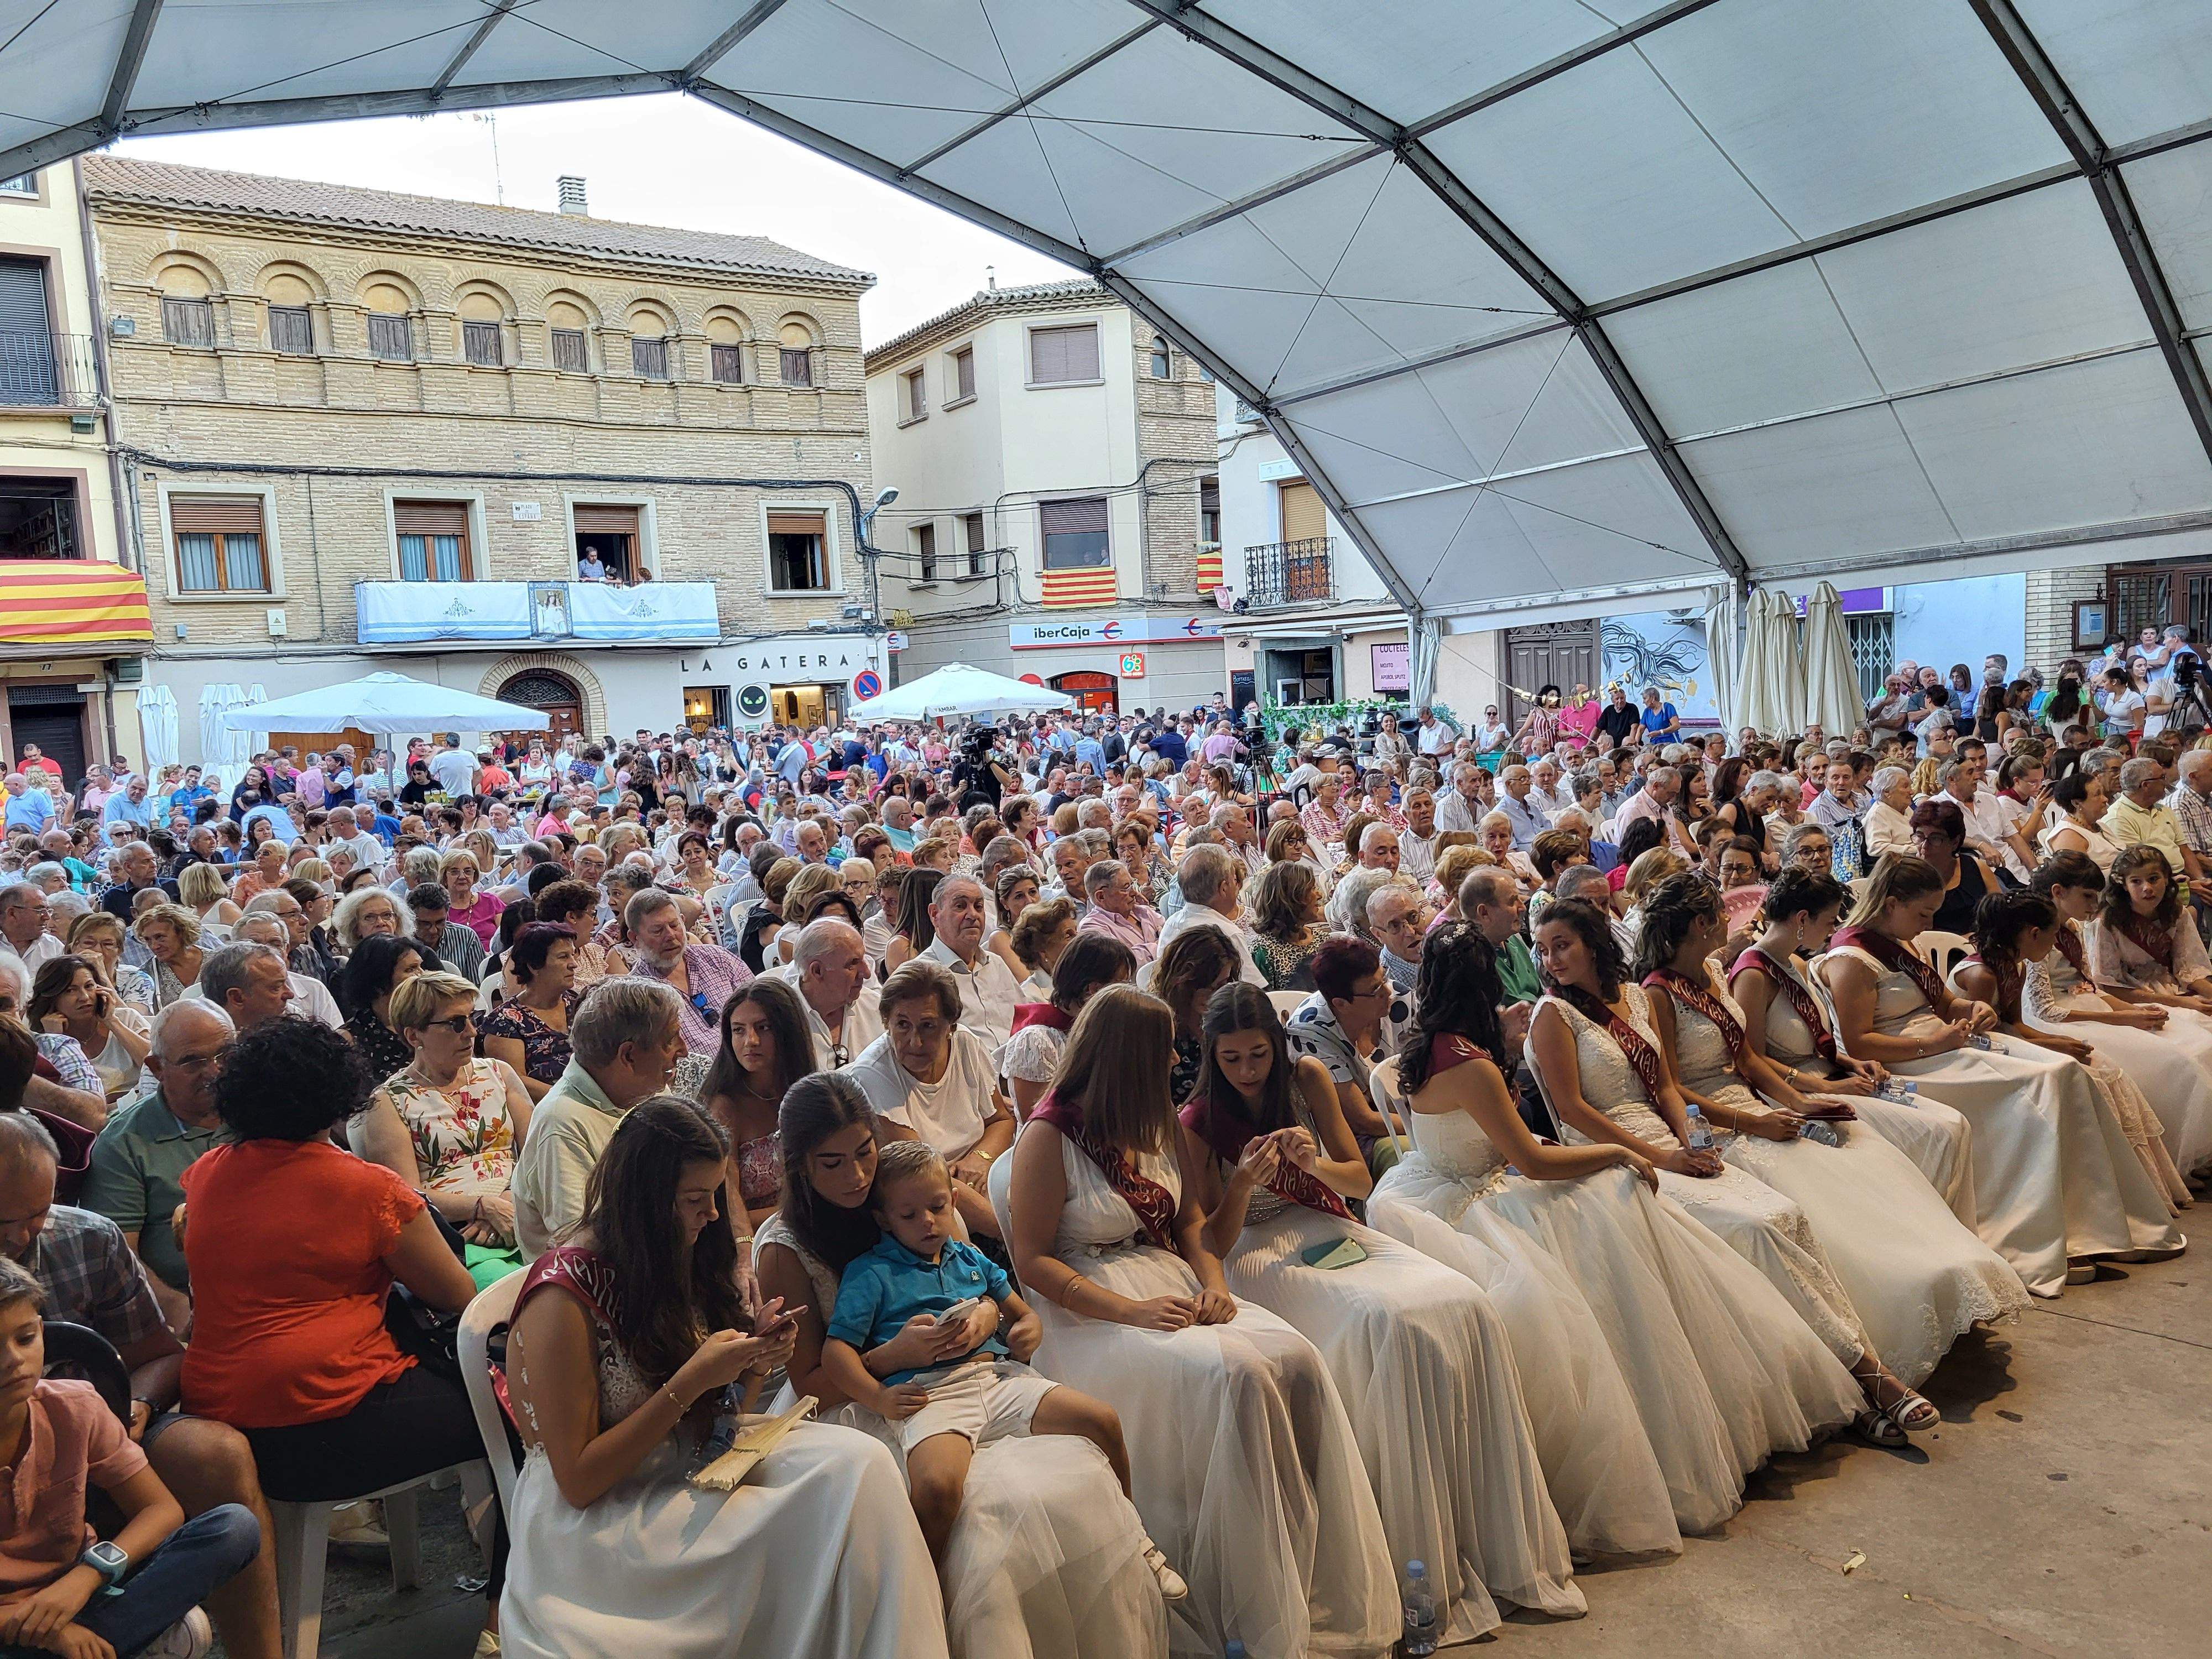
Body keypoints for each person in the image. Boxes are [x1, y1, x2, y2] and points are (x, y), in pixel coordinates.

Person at [1367, 924, 1865, 1539]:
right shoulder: (1472, 1066)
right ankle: (1678, 1400)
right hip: (1485, 1202)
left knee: (1615, 1207)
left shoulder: (1425, 1046)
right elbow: (1534, 1163)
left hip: (1437, 1186)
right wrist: (1617, 1156)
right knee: (1619, 1203)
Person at [995, 986, 1397, 1656]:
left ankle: (1307, 1571)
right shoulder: (1048, 1134)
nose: (1173, 1062)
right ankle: (1235, 1589)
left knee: (1294, 1356)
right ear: (1123, 1055)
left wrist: (1214, 1286)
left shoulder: (1154, 1119)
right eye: (1160, 1052)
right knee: (1233, 1374)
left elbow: (1189, 1224)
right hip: (1088, 1305)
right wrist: (1131, 1311)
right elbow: (1032, 1261)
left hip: (1171, 1278)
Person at [1180, 983, 1582, 1636]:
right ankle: (1410, 1547)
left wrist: (1315, 1164)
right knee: (1383, 1322)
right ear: (1212, 1057)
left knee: (1462, 1300)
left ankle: (1492, 1536)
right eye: (1233, 1060)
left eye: (1258, 1055)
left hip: (1332, 1224)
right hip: (1257, 1250)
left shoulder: (1306, 1077)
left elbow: (1359, 1181)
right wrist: (1247, 1180)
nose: (1249, 1070)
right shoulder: (1197, 1120)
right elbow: (1210, 1240)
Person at [499, 1097, 942, 1659]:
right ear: (645, 1200)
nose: (711, 1214)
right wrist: (689, 1381)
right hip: (607, 1519)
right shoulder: (562, 1297)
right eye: (694, 1199)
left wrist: (751, 1363)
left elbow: (721, 1414)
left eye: (714, 1194)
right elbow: (580, 1481)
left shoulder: (667, 1251)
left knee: (860, 1465)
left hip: (688, 1460)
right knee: (812, 1520)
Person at [754, 1077, 1167, 1659]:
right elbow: (811, 1386)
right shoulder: (784, 1248)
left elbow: (976, 1282)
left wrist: (987, 1318)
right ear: (798, 1167)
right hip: (861, 1402)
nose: (855, 1175)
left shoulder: (908, 1195)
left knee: (1076, 1464)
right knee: (988, 1520)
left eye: (864, 1152)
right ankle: (919, 1622)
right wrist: (893, 1357)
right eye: (832, 1163)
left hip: (972, 1374)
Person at [1637, 874, 2029, 1395]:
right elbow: (1674, 1085)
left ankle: (1946, 1274)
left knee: (1870, 1163)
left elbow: (1748, 1057)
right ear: (1702, 925)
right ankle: (1892, 1304)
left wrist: (1803, 1101)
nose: (1734, 923)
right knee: (1826, 1200)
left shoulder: (1710, 972)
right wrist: (1758, 1120)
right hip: (1720, 1122)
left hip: (1760, 1099)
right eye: (1720, 917)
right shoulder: (1657, 993)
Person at [177, 1017, 500, 1646]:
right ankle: (508, 1603)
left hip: (224, 1415)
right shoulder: (366, 1188)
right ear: (339, 1094)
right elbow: (456, 1296)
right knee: (516, 1415)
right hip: (328, 1420)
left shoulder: (207, 1173)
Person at [1526, 898, 1888, 1395]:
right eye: (1543, 951)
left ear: (1594, 943)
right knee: (1755, 1226)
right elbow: (1571, 1110)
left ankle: (1853, 1361)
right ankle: (1862, 1377)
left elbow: (1667, 1088)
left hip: (1671, 1140)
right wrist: (1661, 1157)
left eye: (1562, 946)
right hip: (1615, 1156)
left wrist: (1689, 1140)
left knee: (1785, 1214)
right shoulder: (1554, 1014)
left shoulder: (1633, 998)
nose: (1552, 961)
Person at [822, 1136, 1178, 1598]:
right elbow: (836, 1351)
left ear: (953, 1200)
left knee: (1102, 1420)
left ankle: (1138, 1541)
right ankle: (914, 1596)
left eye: (937, 1207)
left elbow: (1019, 1310)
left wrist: (1028, 1327)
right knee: (936, 1487)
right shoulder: (870, 1272)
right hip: (932, 1391)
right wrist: (877, 1396)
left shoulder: (968, 1256)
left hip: (997, 1378)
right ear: (884, 1219)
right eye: (909, 1215)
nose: (928, 1223)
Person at [1820, 855, 2184, 1295]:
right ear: (1892, 903)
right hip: (1908, 1059)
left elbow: (1941, 1004)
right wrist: (1934, 1044)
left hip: (1944, 1042)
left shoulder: (1903, 943)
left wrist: (1970, 1008)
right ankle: (2041, 1236)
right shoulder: (1852, 958)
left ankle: (2096, 1224)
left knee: (2068, 1071)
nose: (1928, 923)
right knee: (2040, 1084)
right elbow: (1857, 1043)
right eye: (1923, 914)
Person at [0, 1254, 259, 1659]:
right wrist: (52, 1633)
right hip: (8, 1626)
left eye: (26, 1338)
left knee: (235, 1527)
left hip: (82, 1593)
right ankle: (117, 1639)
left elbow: (161, 1510)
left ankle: (100, 1640)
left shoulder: (74, 1407)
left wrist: (88, 1577)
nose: (13, 1360)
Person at [1728, 868, 1978, 1216]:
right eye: (1830, 920)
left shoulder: (1795, 963)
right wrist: (1826, 1087)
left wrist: (1850, 1063)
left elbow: (1819, 1039)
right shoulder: (1753, 975)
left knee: (1950, 1125)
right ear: (1802, 919)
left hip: (1830, 1076)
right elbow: (1753, 1061)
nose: (1834, 930)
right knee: (1937, 1132)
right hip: (1790, 1090)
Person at [1957, 890, 2192, 1211]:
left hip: (2003, 1042)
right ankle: (2097, 1195)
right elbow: (1984, 1037)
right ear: (2033, 934)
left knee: (2105, 1067)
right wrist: (2051, 1046)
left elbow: (2016, 1026)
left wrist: (2058, 1043)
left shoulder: (2016, 965)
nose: (2055, 944)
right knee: (2081, 1075)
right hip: (1975, 1050)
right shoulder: (1982, 975)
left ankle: (2142, 1188)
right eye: (2053, 936)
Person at [2030, 852, 2212, 1178]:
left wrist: (2138, 1012)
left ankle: (2191, 1151)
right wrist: (2126, 1017)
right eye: (2087, 896)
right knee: (2176, 1062)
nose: (2094, 903)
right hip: (2063, 1018)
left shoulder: (2070, 926)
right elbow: (2046, 1009)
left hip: (2094, 1006)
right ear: (2058, 892)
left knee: (2192, 1043)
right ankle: (2177, 1154)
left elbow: (2089, 986)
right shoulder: (2036, 934)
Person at [353, 971, 535, 1289]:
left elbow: (538, 1153)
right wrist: (481, 1206)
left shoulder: (498, 1074)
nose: (471, 1032)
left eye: (471, 1018)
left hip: (524, 1208)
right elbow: (406, 1195)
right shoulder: (388, 1103)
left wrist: (508, 1201)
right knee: (522, 1295)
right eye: (455, 1023)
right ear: (414, 1036)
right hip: (456, 1235)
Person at [511, 978, 689, 1262]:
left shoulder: (648, 1087)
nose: (684, 1050)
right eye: (670, 1041)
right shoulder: (561, 1123)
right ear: (629, 1055)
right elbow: (582, 1250)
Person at [841, 962, 1011, 1240]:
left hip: (979, 1172)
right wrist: (1010, 1230)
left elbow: (1001, 1120)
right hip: (927, 1200)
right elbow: (920, 1173)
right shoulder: (873, 1074)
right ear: (887, 1023)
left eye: (928, 1026)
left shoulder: (966, 1045)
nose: (914, 1042)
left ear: (951, 1026)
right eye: (902, 1025)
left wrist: (981, 1159)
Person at [698, 978, 816, 1231]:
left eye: (763, 1028)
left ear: (788, 1032)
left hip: (814, 1226)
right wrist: (797, 1211)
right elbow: (726, 1208)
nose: (750, 1041)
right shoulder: (724, 1108)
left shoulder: (807, 1092)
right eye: (738, 1030)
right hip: (752, 1240)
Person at [997, 934, 1135, 1120]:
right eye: (1123, 985)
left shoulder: (1106, 1029)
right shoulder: (1037, 1041)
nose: (1129, 993)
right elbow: (1036, 1121)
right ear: (1093, 990)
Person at [623, 889, 752, 1058]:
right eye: (657, 930)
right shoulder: (638, 995)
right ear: (635, 938)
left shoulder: (719, 958)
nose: (670, 935)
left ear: (683, 922)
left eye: (675, 925)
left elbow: (760, 1006)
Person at [28, 953, 150, 1103]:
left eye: (89, 986)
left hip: (138, 1107)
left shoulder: (126, 1018)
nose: (85, 997)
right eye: (70, 990)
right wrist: (54, 1040)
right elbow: (52, 1098)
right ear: (52, 996)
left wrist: (112, 1021)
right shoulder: (38, 1038)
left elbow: (156, 1066)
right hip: (85, 1118)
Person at [916, 875, 1020, 1050]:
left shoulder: (996, 964)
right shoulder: (921, 976)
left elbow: (1024, 1022)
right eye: (960, 906)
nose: (972, 915)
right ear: (935, 914)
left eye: (978, 907)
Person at [478, 923, 578, 1102]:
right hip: (545, 1109)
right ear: (534, 966)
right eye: (564, 957)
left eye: (573, 955)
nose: (574, 964)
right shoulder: (505, 1022)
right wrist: (572, 1099)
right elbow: (516, 1081)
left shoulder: (577, 1003)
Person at [335, 933, 433, 1083]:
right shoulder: (349, 1040)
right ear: (379, 983)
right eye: (411, 970)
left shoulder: (435, 1021)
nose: (422, 976)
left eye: (421, 967)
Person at [1246, 860, 1324, 992]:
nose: (1319, 895)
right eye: (1312, 889)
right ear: (1293, 898)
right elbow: (1261, 1004)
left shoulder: (1321, 940)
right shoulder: (1263, 952)